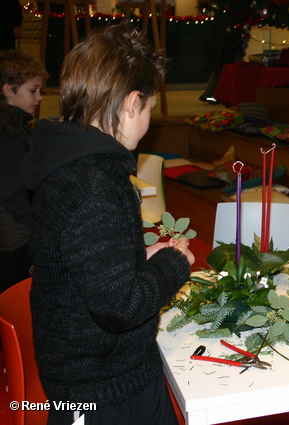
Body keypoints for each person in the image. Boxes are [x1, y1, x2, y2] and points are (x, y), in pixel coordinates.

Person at [20, 24, 195, 425]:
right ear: (133, 103)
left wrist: (137, 256)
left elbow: (85, 263)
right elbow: (119, 308)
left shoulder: (70, 166)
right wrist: (173, 264)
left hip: (99, 377)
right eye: (150, 108)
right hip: (102, 393)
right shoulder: (94, 185)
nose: (148, 120)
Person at [0, 49, 47, 293]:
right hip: (14, 235)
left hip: (14, 229)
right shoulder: (9, 133)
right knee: (13, 293)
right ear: (8, 90)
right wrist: (40, 221)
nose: (38, 97)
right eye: (32, 90)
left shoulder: (16, 125)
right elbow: (11, 192)